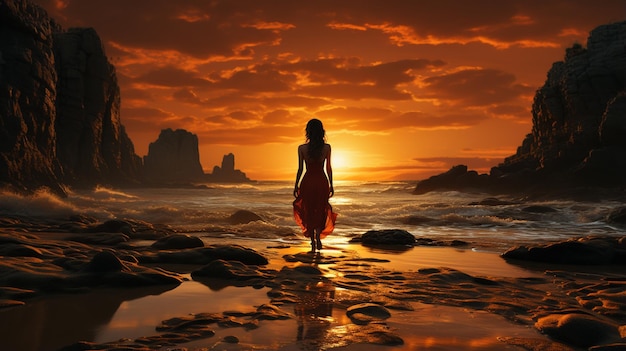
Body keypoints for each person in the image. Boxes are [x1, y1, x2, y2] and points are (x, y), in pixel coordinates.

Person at [293, 118, 337, 252]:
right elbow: (329, 168)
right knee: (321, 208)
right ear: (321, 131)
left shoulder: (302, 148)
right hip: (321, 181)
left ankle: (312, 241)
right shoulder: (327, 148)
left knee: (309, 210)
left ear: (308, 132)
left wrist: (296, 185)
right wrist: (331, 184)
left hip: (308, 181)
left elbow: (300, 169)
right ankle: (318, 236)